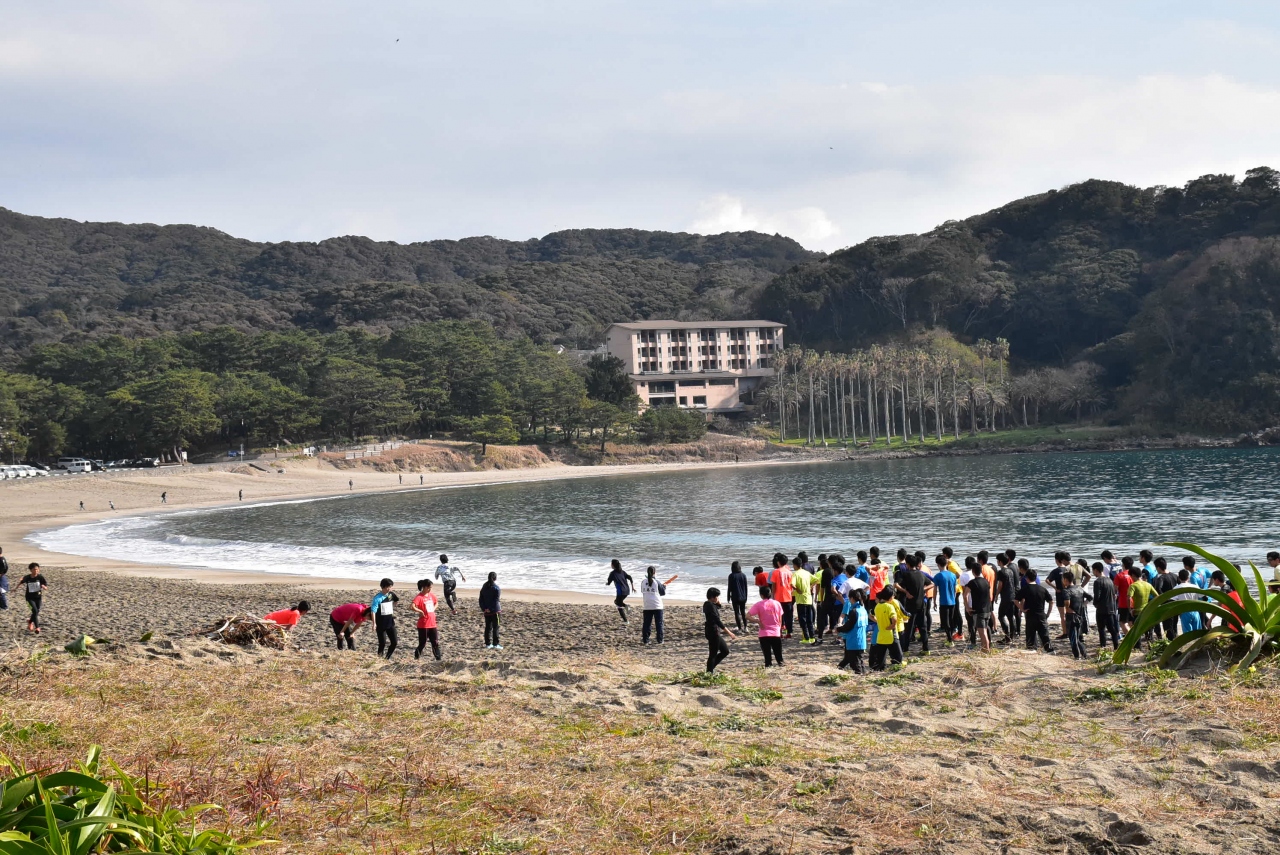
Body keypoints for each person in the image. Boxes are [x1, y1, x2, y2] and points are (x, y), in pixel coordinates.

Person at [897, 554, 933, 655]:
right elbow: (932, 583)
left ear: (907, 564)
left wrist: (905, 592)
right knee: (923, 627)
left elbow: (896, 585)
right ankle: (926, 649)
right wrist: (922, 590)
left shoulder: (906, 574)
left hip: (911, 605)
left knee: (909, 627)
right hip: (921, 604)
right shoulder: (921, 574)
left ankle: (906, 650)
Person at [1015, 562, 1054, 653]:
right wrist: (1047, 613)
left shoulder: (1025, 589)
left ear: (1026, 578)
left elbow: (1016, 600)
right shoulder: (1042, 589)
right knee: (1044, 636)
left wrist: (1022, 609)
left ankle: (1032, 650)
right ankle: (1049, 650)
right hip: (1041, 614)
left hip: (1030, 615)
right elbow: (1051, 601)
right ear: (1035, 578)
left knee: (1030, 638)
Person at [869, 587, 906, 670]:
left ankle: (880, 668)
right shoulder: (889, 607)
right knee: (898, 655)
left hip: (881, 635)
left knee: (881, 656)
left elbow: (871, 615)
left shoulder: (877, 606)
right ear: (889, 597)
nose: (893, 598)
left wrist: (879, 622)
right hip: (891, 635)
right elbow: (894, 619)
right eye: (893, 596)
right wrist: (892, 626)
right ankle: (897, 667)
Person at [747, 585, 784, 667]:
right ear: (770, 593)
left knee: (767, 654)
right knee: (778, 652)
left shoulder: (758, 604)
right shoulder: (777, 603)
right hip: (775, 631)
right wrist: (779, 627)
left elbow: (747, 616)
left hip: (764, 632)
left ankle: (769, 664)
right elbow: (780, 617)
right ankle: (780, 662)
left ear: (761, 595)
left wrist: (757, 621)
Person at [639, 566, 677, 644]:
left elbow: (643, 591)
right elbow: (662, 593)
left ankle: (645, 640)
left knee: (646, 624)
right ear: (654, 572)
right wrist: (664, 587)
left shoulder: (643, 582)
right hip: (657, 605)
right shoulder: (656, 582)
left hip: (647, 605)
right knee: (659, 624)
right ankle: (660, 640)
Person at [703, 587, 736, 673]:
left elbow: (717, 608)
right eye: (717, 596)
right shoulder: (710, 606)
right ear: (712, 597)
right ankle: (709, 672)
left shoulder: (707, 604)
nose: (718, 598)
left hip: (710, 631)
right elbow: (717, 620)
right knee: (713, 654)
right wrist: (729, 632)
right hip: (713, 632)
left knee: (725, 651)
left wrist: (718, 603)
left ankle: (710, 669)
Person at [836, 589, 870, 673]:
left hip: (853, 640)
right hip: (861, 640)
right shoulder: (863, 610)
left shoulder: (854, 611)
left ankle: (860, 679)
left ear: (852, 598)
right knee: (859, 661)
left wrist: (838, 629)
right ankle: (838, 668)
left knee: (855, 664)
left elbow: (848, 626)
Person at [1062, 571, 1092, 659]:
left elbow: (1067, 602)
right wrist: (1083, 604)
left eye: (1063, 579)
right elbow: (1090, 597)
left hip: (1072, 617)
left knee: (1073, 638)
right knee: (1076, 637)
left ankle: (1077, 656)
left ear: (1066, 580)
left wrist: (1067, 609)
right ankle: (1084, 654)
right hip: (1080, 615)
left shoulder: (1066, 591)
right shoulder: (1079, 588)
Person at [1091, 563, 1120, 651]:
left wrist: (1095, 604)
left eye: (1093, 571)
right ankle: (1116, 646)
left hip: (1102, 609)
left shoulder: (1097, 581)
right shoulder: (1110, 580)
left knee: (1101, 629)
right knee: (1112, 629)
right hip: (1111, 608)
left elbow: (1097, 596)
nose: (1093, 573)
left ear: (1096, 570)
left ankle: (1103, 646)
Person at [932, 554, 959, 646]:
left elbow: (935, 590)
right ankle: (950, 637)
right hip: (952, 601)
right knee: (951, 620)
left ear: (938, 564)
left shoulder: (938, 576)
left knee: (945, 621)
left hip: (943, 602)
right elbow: (955, 589)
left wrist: (934, 601)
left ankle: (949, 640)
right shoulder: (953, 575)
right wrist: (954, 597)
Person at [966, 564, 993, 653]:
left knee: (982, 633)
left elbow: (965, 595)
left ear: (973, 571)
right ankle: (984, 649)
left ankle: (986, 650)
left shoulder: (972, 582)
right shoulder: (986, 581)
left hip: (978, 611)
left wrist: (967, 607)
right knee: (985, 629)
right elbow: (989, 596)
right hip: (987, 610)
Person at [412, 579, 442, 660]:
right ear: (424, 587)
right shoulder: (419, 597)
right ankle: (416, 658)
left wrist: (434, 608)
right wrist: (420, 611)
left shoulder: (431, 595)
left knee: (435, 642)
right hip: (423, 624)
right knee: (422, 643)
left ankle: (438, 660)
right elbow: (412, 606)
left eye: (431, 588)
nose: (430, 589)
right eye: (428, 588)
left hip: (432, 623)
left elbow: (436, 602)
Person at [994, 553, 1020, 643]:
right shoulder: (1010, 570)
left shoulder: (1001, 572)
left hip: (1005, 597)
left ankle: (1007, 636)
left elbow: (1000, 585)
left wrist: (996, 595)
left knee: (1001, 616)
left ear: (1000, 561)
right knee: (1010, 616)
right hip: (1012, 595)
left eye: (997, 560)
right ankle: (1012, 636)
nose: (997, 562)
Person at [1128, 566, 1156, 647]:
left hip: (1137, 611)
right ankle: (1150, 646)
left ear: (1133, 575)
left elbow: (1129, 597)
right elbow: (1157, 596)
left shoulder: (1133, 586)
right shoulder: (1148, 584)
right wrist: (1151, 606)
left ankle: (1138, 647)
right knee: (1148, 629)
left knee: (1137, 631)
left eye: (1131, 576)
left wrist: (1130, 609)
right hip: (1147, 610)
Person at [372, 578, 399, 659]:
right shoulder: (377, 598)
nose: (389, 589)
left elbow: (396, 600)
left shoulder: (391, 595)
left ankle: (387, 658)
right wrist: (374, 623)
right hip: (380, 624)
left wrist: (392, 607)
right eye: (388, 587)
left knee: (394, 642)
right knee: (382, 643)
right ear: (383, 586)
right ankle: (379, 659)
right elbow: (373, 611)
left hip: (390, 623)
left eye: (390, 587)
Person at [769, 555, 795, 638]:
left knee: (778, 615)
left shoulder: (776, 572)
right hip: (788, 596)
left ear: (778, 562)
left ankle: (779, 632)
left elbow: (774, 585)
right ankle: (789, 632)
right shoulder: (790, 572)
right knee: (789, 615)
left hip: (778, 597)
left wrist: (773, 595)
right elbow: (792, 585)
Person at [792, 557, 817, 644]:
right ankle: (812, 637)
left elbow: (792, 584)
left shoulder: (796, 574)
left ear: (795, 565)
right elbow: (816, 580)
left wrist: (797, 589)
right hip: (808, 598)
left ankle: (806, 638)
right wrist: (811, 586)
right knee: (809, 619)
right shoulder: (806, 573)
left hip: (800, 600)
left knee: (803, 620)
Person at [1152, 558, 1178, 640]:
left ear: (1158, 568)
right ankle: (1176, 641)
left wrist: (1163, 600)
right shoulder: (1175, 576)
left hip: (1166, 604)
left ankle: (1170, 643)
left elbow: (1158, 589)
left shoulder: (1161, 578)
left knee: (1167, 626)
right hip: (1177, 603)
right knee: (1174, 624)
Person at [1046, 552, 1071, 638]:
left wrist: (1055, 588)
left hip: (1060, 594)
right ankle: (1070, 631)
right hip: (1069, 593)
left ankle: (1065, 633)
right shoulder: (1068, 569)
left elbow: (1047, 580)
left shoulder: (1056, 571)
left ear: (1056, 560)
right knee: (1070, 613)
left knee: (1062, 615)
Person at [1173, 568, 1203, 634]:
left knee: (1187, 633)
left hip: (1184, 611)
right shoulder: (1195, 587)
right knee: (1197, 632)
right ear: (1188, 577)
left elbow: (1173, 600)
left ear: (1179, 578)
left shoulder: (1176, 588)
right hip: (1195, 611)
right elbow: (1202, 596)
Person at [20, 563, 48, 633]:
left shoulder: (40, 577)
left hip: (38, 597)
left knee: (36, 611)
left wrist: (44, 587)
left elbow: (45, 585)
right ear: (31, 570)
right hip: (29, 598)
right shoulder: (28, 577)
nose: (36, 571)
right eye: (35, 569)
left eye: (37, 569)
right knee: (35, 611)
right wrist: (15, 588)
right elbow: (21, 582)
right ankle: (37, 628)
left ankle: (30, 621)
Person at [606, 559, 635, 624]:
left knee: (618, 605)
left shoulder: (612, 573)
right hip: (627, 590)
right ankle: (626, 607)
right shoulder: (623, 572)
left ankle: (626, 621)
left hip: (620, 591)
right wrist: (632, 586)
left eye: (611, 564)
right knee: (617, 602)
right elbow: (630, 577)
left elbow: (609, 582)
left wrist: (607, 583)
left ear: (613, 565)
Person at [479, 571, 502, 649]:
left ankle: (488, 644)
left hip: (486, 611)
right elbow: (496, 601)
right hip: (495, 611)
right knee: (496, 627)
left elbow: (481, 599)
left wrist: (484, 608)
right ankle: (495, 644)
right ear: (495, 578)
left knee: (488, 627)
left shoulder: (484, 587)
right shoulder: (496, 588)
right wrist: (490, 609)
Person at [726, 561, 749, 632]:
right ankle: (745, 627)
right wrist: (746, 596)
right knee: (743, 612)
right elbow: (746, 587)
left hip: (735, 596)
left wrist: (728, 597)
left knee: (737, 612)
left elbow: (729, 587)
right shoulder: (743, 575)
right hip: (743, 596)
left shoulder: (731, 576)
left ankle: (739, 628)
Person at [1115, 556, 1135, 633]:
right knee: (1131, 622)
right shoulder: (1134, 575)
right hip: (1134, 601)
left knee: (1123, 623)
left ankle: (1129, 638)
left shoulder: (1120, 575)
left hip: (1123, 602)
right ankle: (1135, 638)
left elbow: (1115, 589)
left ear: (1123, 564)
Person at [0, 546, 9, 612]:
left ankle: (4, 606)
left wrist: (1, 574)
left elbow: (5, 568)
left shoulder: (2, 559)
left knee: (1, 592)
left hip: (1, 578)